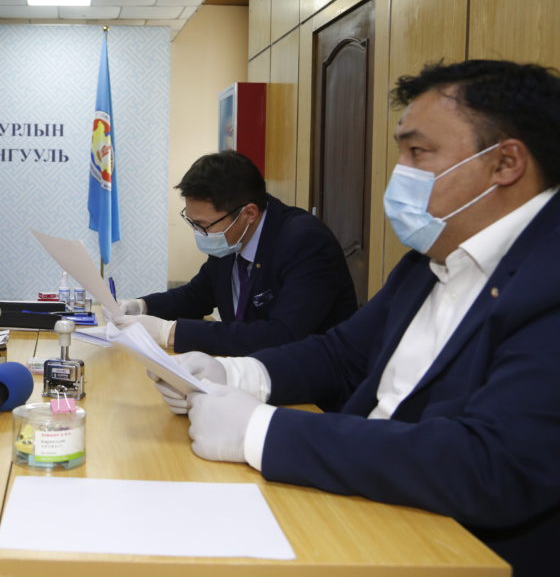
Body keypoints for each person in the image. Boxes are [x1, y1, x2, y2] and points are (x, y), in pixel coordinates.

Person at [152, 60, 560, 577]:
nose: (399, 174)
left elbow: (493, 465)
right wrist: (233, 373)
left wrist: (263, 431)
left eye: (418, 153)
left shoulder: (547, 275)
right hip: (368, 504)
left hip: (455, 550)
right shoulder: (428, 260)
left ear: (505, 163)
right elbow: (341, 354)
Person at [112, 150, 357, 356]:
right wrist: (142, 306)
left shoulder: (305, 241)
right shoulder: (232, 237)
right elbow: (197, 295)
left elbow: (282, 335)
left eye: (203, 225)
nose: (198, 233)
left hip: (310, 387)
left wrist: (171, 332)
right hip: (245, 369)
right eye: (192, 222)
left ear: (248, 214)